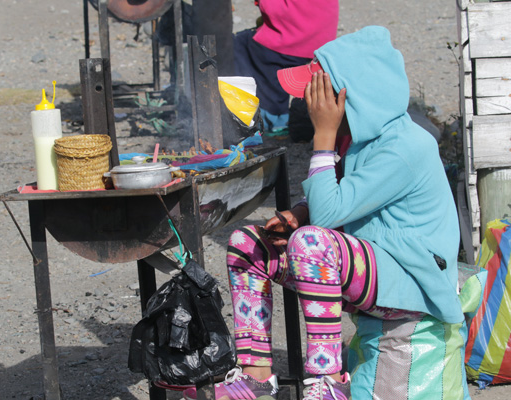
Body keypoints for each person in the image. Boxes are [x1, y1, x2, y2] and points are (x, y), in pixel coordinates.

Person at [183, 25, 464, 400]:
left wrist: (324, 136)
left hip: (415, 279)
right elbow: (345, 199)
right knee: (245, 243)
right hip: (375, 265)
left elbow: (330, 215)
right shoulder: (363, 139)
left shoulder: (406, 147)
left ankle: (328, 380)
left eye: (318, 98)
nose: (309, 106)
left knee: (312, 244)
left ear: (351, 98)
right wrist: (299, 212)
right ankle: (256, 374)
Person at [233, 0, 338, 134]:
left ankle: (274, 118)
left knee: (243, 45)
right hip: (323, 40)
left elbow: (275, 10)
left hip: (293, 41)